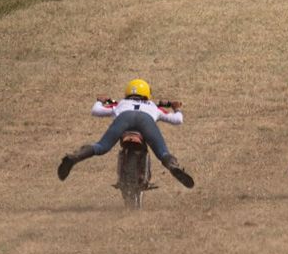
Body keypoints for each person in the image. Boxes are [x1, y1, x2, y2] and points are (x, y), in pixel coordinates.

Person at [58, 78, 195, 188]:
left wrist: (100, 101)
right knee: (163, 153)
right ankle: (173, 166)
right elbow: (178, 120)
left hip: (124, 118)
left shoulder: (120, 103)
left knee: (101, 147)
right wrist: (176, 108)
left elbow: (96, 111)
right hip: (145, 120)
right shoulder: (153, 106)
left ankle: (74, 157)